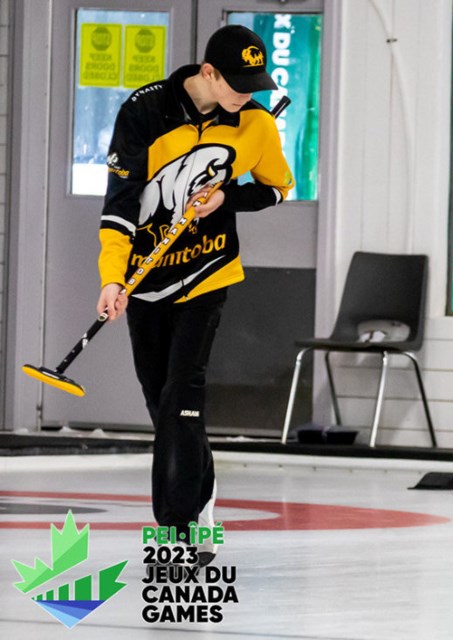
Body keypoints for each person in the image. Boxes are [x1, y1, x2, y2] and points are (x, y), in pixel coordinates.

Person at [96, 25, 294, 565]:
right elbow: (119, 204)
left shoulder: (253, 122)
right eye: (238, 84)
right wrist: (113, 279)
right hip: (145, 281)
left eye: (257, 83)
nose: (248, 95)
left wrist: (226, 197)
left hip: (209, 276)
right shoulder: (145, 112)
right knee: (162, 403)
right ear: (207, 73)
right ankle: (201, 495)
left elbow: (278, 187)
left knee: (183, 397)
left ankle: (178, 534)